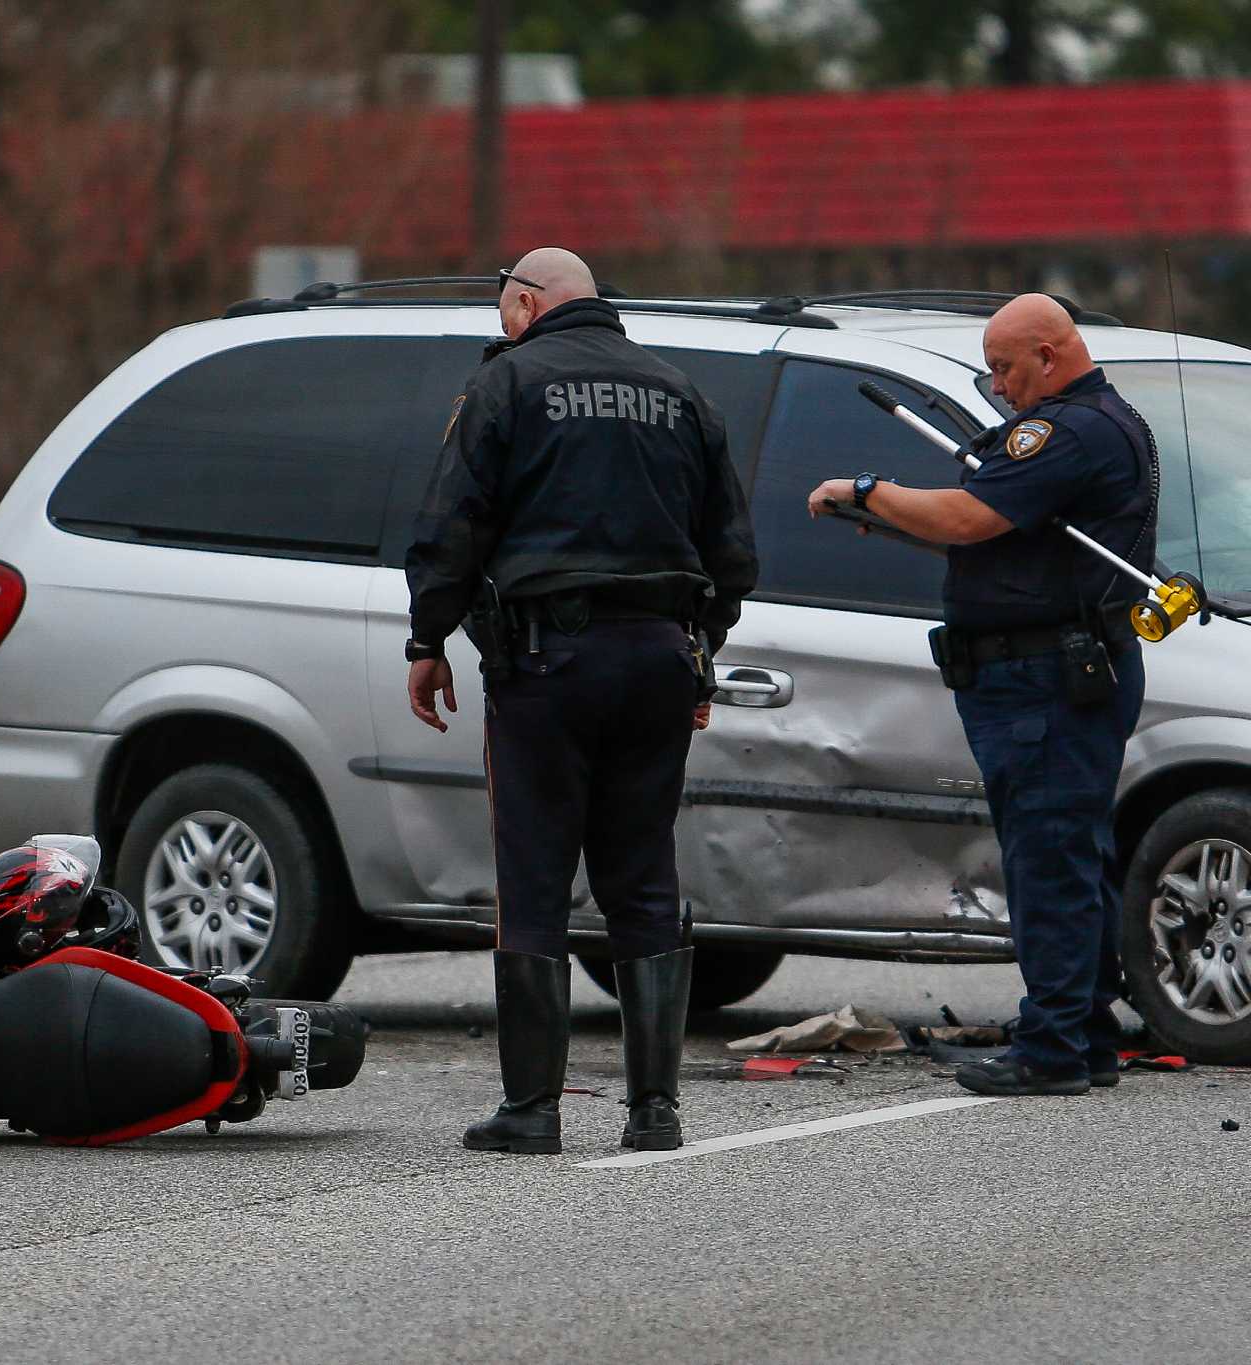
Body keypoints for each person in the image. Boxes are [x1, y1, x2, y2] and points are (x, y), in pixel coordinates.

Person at [406, 247, 758, 1154]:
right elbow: (734, 553)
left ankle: (534, 1109)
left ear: (525, 304)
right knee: (642, 874)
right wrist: (701, 644)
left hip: (545, 661)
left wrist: (428, 638)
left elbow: (452, 521)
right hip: (658, 661)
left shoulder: (508, 386)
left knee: (533, 876)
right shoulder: (681, 392)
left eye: (503, 312)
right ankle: (655, 1110)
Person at [806, 292, 1156, 1098]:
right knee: (1071, 851)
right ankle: (1083, 1035)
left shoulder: (1068, 431)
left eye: (1004, 368)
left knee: (1049, 858)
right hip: (1058, 668)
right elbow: (1013, 534)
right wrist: (901, 517)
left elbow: (970, 515)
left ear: (1049, 353)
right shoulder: (1100, 424)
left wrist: (865, 490)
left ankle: (1054, 1047)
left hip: (1045, 678)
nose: (997, 387)